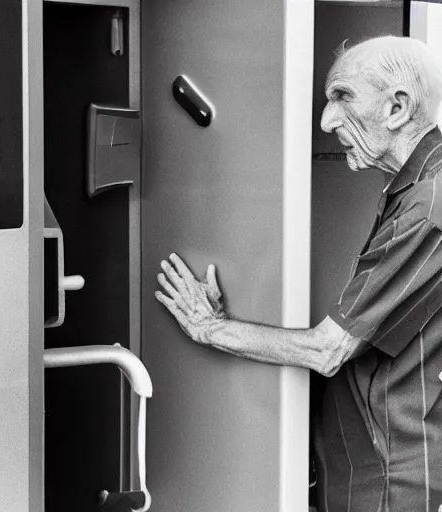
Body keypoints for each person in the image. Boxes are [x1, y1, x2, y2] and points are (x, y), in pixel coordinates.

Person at [155, 36, 442, 511]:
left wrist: (211, 328)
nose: (327, 121)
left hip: (393, 483)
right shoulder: (417, 191)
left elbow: (327, 350)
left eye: (342, 97)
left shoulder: (428, 206)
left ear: (398, 107)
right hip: (375, 471)